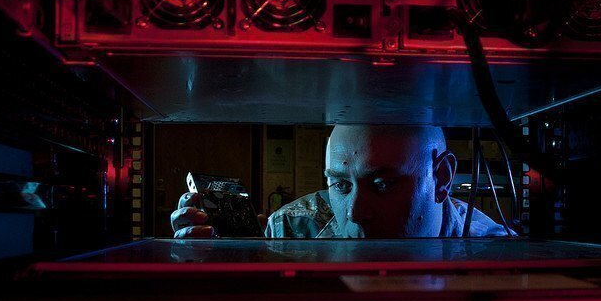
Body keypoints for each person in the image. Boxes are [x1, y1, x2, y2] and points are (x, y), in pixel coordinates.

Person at [170, 125, 509, 239]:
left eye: (383, 184)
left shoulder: (498, 257)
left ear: (442, 178)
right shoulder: (291, 230)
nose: (357, 213)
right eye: (341, 186)